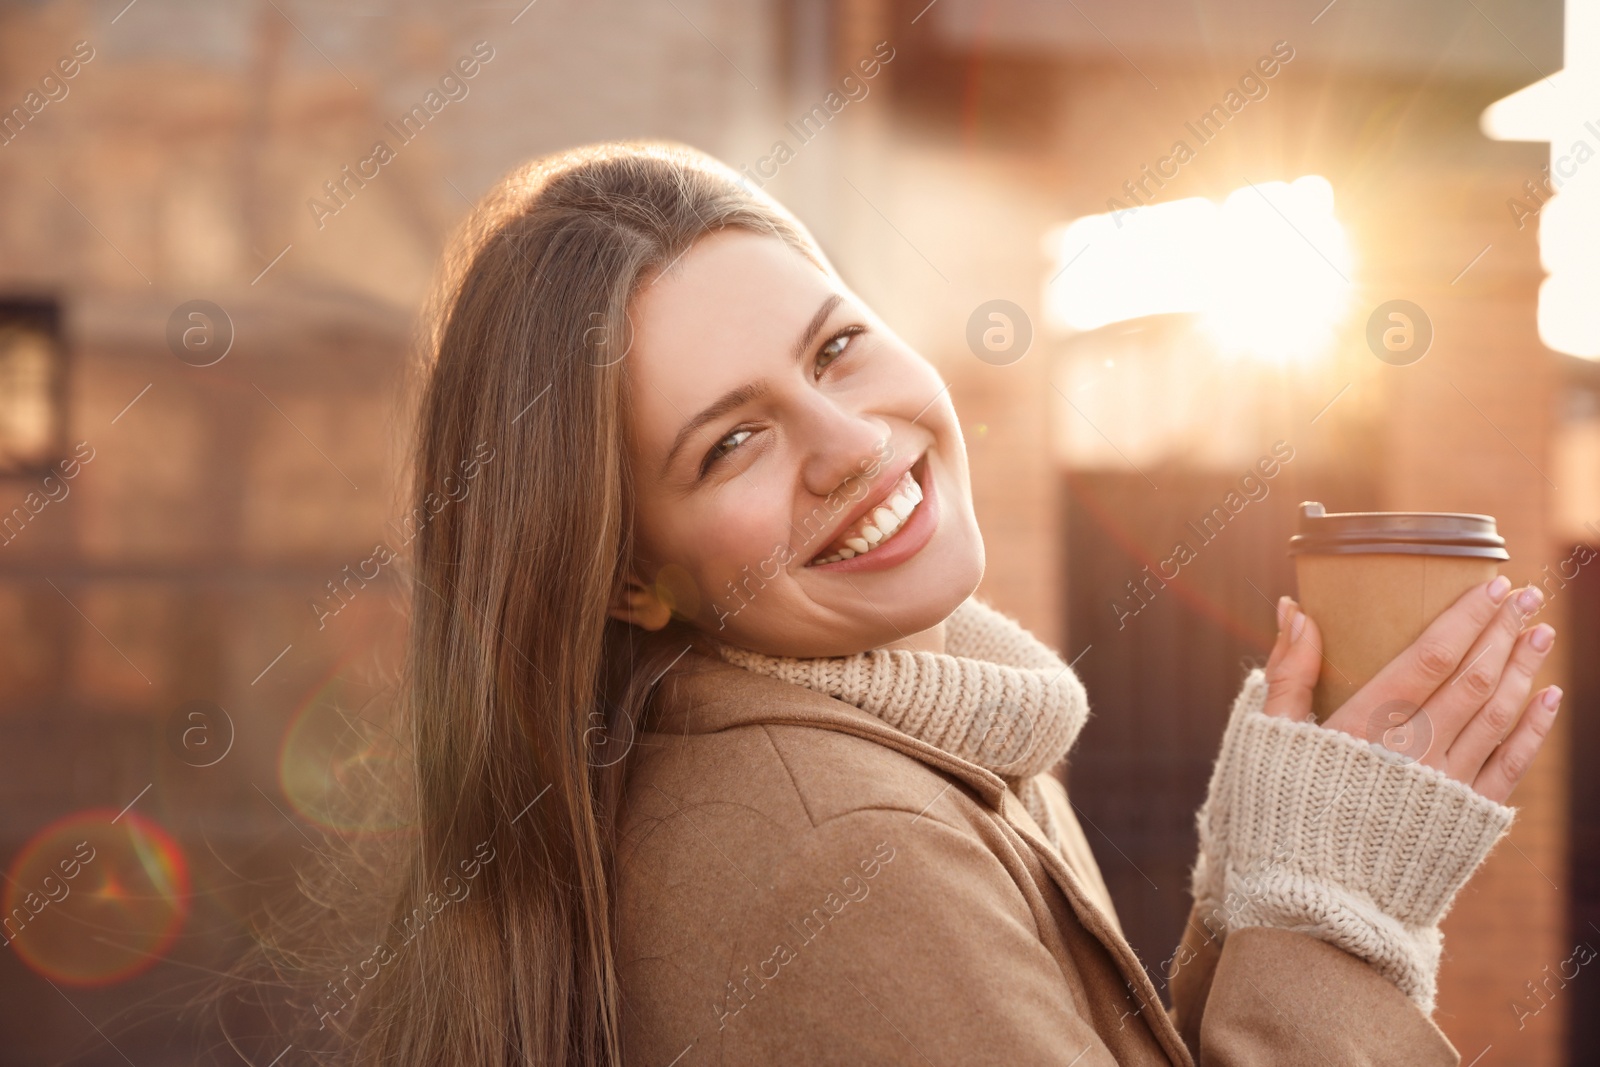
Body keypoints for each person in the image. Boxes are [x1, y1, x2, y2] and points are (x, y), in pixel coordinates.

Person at [319, 141, 1559, 1064]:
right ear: (628, 575)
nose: (850, 442)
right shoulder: (838, 842)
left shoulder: (938, 743)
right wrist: (1329, 909)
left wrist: (1257, 893)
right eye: (731, 440)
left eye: (835, 348)